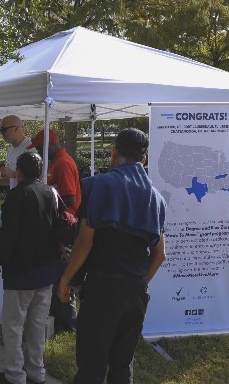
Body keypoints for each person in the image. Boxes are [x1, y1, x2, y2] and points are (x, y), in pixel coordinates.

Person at [58, 128, 166, 384]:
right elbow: (160, 254)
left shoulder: (99, 185)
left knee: (92, 366)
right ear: (145, 159)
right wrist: (139, 282)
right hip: (136, 289)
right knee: (122, 365)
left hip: (103, 289)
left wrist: (66, 279)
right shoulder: (157, 199)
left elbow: (84, 241)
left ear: (115, 152)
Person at [0, 152, 59, 384]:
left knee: (13, 325)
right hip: (46, 268)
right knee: (38, 325)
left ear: (18, 171)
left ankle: (15, 373)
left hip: (21, 271)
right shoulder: (50, 192)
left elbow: (9, 236)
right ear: (39, 172)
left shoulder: (16, 195)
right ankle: (36, 372)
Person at [29, 128, 80, 334]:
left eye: (40, 148)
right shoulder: (55, 162)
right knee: (56, 274)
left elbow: (70, 199)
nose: (39, 153)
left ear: (48, 145)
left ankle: (68, 324)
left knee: (63, 275)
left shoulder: (64, 163)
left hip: (65, 229)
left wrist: (47, 194)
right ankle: (59, 320)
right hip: (57, 228)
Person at [0, 115, 37, 189]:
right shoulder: (11, 150)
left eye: (3, 130)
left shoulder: (31, 147)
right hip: (17, 195)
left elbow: (36, 178)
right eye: (0, 130)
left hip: (29, 196)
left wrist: (13, 174)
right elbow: (12, 180)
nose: (2, 134)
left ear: (16, 129)